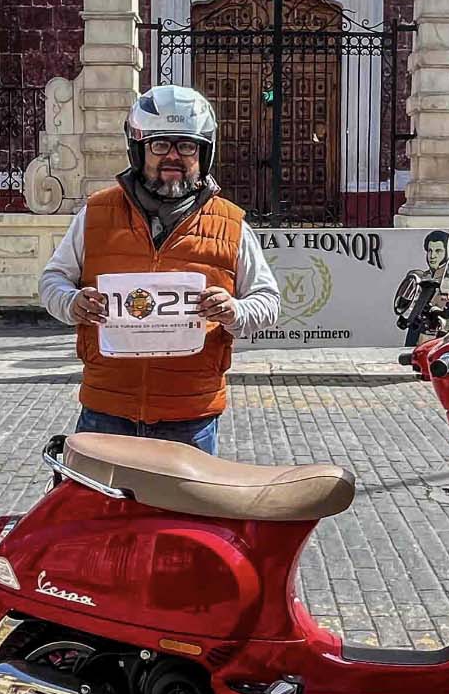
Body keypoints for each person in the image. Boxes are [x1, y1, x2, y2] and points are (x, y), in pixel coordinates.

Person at [38, 86, 279, 455]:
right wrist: (72, 303)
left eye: (187, 146)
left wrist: (235, 310)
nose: (173, 156)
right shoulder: (96, 214)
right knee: (97, 497)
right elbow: (52, 280)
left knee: (185, 498)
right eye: (160, 145)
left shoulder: (231, 224)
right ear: (139, 150)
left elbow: (268, 300)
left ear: (204, 153)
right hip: (107, 409)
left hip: (190, 416)